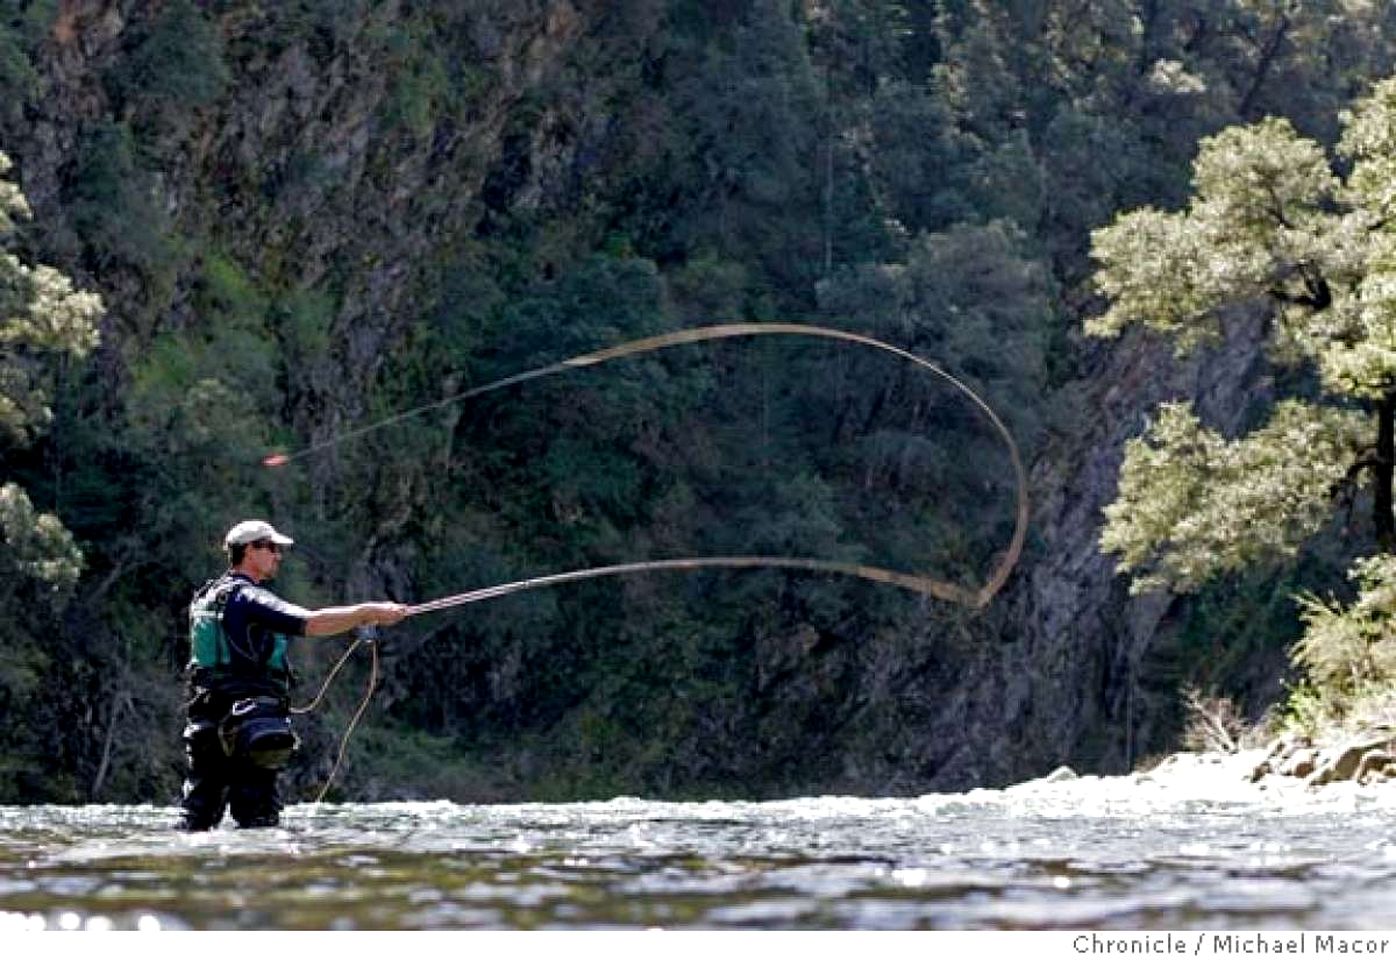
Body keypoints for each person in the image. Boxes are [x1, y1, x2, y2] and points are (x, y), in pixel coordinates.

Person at [179, 519, 407, 831]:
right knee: (258, 823)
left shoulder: (208, 597)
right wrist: (369, 612)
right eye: (271, 548)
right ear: (249, 551)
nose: (278, 556)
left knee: (196, 819)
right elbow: (311, 623)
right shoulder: (250, 598)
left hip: (206, 720)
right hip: (250, 725)